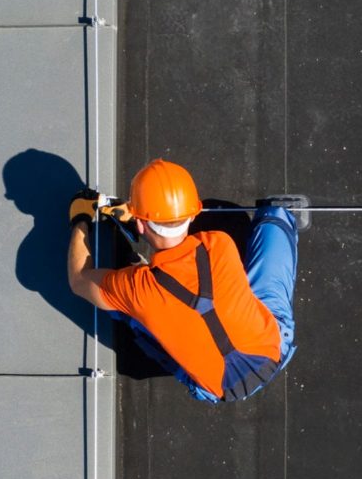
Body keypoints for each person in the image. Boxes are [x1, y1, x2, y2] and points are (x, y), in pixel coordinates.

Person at [67, 159, 300, 402]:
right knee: (275, 220)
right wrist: (142, 218)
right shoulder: (220, 243)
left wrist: (80, 220)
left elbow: (79, 279)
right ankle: (280, 216)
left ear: (140, 224)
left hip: (219, 390)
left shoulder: (134, 288)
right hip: (273, 348)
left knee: (128, 310)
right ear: (193, 214)